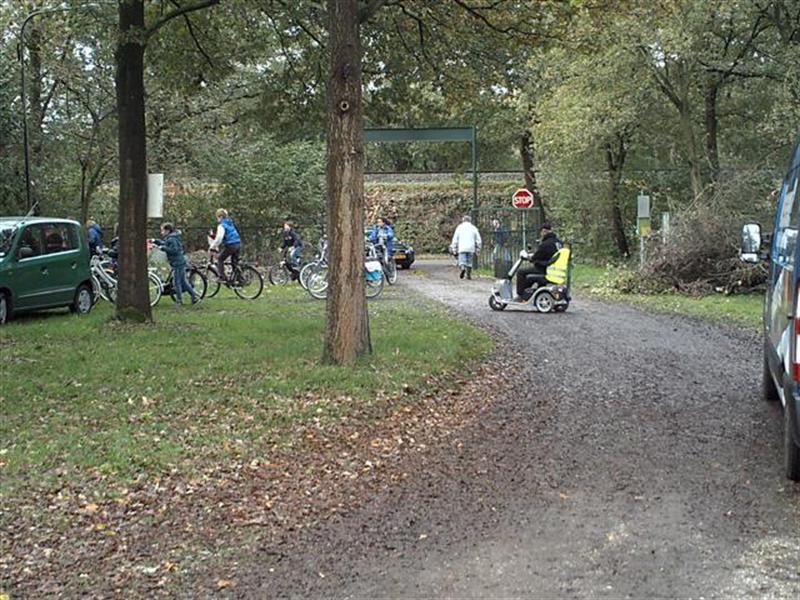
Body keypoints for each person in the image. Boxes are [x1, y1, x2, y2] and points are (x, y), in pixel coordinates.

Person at [152, 223, 199, 306]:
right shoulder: (171, 238)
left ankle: (179, 300)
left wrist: (162, 248)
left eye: (162, 230)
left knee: (177, 283)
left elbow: (174, 250)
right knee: (183, 282)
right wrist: (156, 241)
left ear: (167, 230)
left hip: (178, 263)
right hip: (179, 262)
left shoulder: (172, 239)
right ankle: (194, 296)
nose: (161, 232)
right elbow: (165, 243)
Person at [515, 223, 561, 300]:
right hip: (554, 269)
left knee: (521, 272)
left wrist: (529, 257)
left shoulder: (545, 244)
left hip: (544, 268)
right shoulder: (558, 242)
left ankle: (520, 295)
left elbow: (535, 257)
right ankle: (528, 294)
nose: (541, 234)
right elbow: (546, 254)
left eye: (541, 232)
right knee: (529, 276)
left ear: (544, 231)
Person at [209, 209, 242, 282]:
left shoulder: (221, 225)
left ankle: (222, 277)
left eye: (217, 217)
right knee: (234, 263)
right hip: (238, 243)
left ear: (220, 217)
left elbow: (219, 238)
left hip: (231, 245)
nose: (217, 219)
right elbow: (226, 235)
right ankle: (239, 279)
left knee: (220, 259)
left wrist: (213, 246)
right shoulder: (230, 223)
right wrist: (213, 236)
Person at [450, 215, 482, 280]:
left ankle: (463, 268)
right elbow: (478, 239)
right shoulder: (473, 228)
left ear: (463, 220)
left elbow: (455, 239)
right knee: (469, 262)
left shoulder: (459, 227)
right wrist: (478, 248)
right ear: (470, 220)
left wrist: (454, 248)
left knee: (462, 261)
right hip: (471, 247)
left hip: (462, 247)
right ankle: (468, 275)